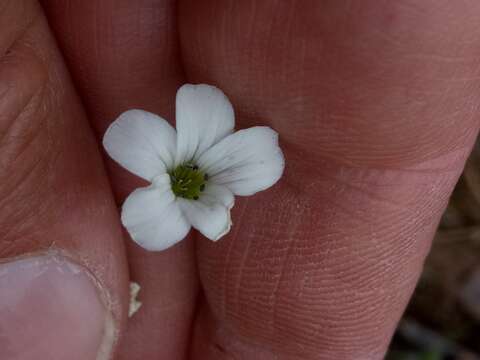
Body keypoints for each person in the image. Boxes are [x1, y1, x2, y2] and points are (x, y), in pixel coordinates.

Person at [1, 1, 479, 359]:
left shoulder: (208, 174)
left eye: (190, 185)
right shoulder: (178, 160)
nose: (189, 183)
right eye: (187, 183)